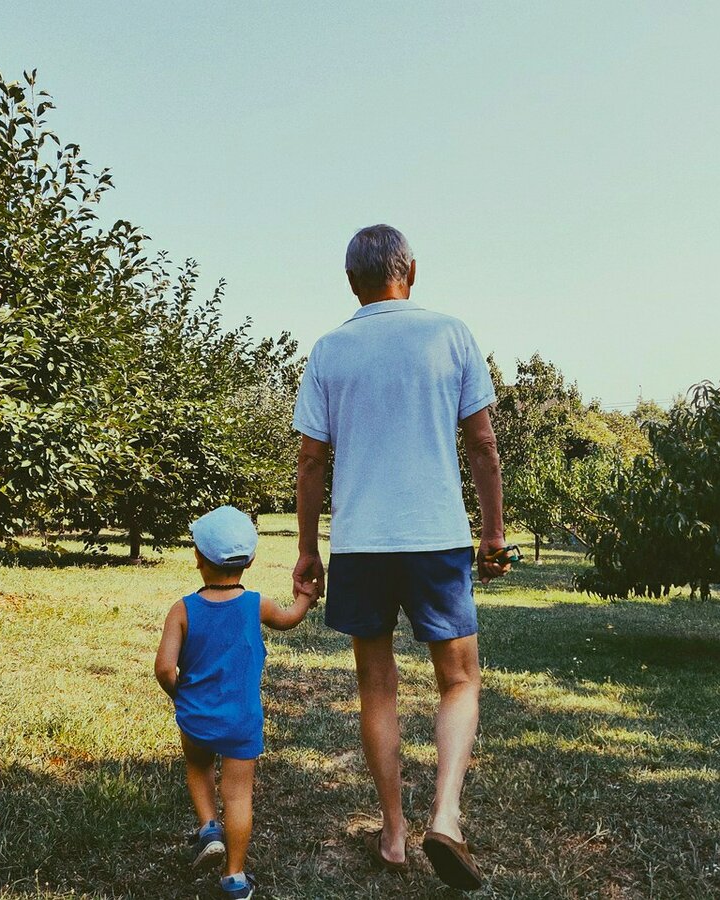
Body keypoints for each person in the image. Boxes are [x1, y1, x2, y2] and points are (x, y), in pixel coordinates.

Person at [291, 225, 509, 890]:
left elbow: (310, 460)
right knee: (459, 678)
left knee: (377, 686)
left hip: (361, 540)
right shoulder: (452, 334)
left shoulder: (330, 349)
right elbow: (483, 446)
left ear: (351, 282)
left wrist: (307, 551)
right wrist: (493, 531)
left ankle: (392, 833)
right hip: (436, 535)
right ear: (410, 269)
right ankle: (445, 814)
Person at [155, 505, 316, 899]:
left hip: (197, 718)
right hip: (242, 721)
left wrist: (182, 695)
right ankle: (235, 878)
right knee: (239, 796)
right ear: (252, 559)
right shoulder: (256, 604)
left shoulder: (183, 609)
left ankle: (209, 827)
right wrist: (305, 596)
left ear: (197, 558)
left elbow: (163, 668)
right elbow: (291, 617)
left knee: (198, 766)